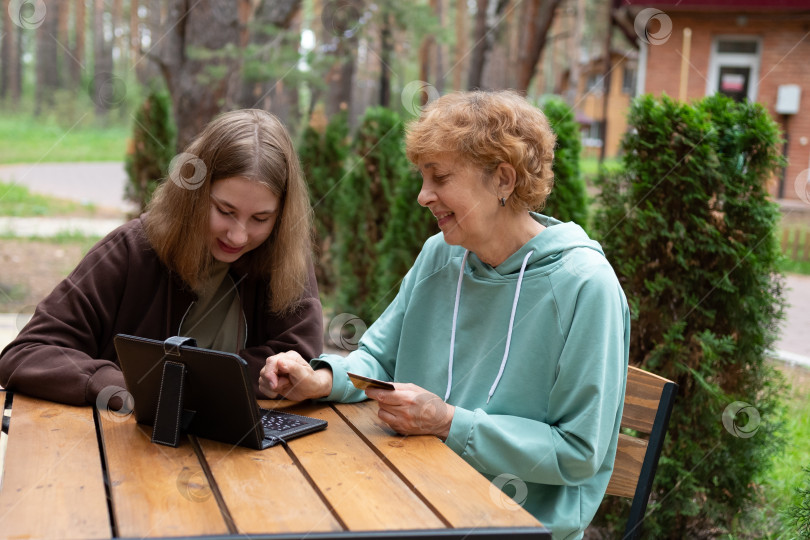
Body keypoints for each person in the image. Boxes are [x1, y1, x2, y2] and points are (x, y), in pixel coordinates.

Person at [259, 90, 630, 539]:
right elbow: (378, 360)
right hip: (412, 491)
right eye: (422, 177)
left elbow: (578, 452)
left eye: (439, 178)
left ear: (503, 180)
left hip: (515, 522)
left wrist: (450, 423)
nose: (422, 196)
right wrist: (320, 378)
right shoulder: (441, 254)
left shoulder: (586, 286)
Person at [0, 109, 323, 407]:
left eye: (261, 219)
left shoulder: (285, 256)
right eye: (225, 211)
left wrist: (274, 378)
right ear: (192, 193)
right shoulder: (130, 249)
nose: (238, 236)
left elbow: (302, 356)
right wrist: (126, 386)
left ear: (281, 216)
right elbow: (27, 354)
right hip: (118, 448)